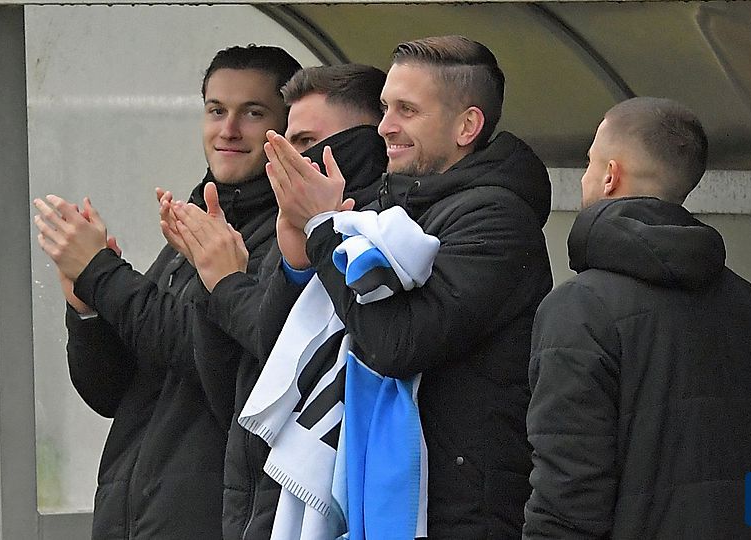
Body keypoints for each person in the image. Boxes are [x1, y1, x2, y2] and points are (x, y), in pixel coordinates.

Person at [261, 35, 553, 538]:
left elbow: (397, 344)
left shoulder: (498, 219)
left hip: (457, 515)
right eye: (384, 108)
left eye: (407, 110)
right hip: (383, 504)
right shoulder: (387, 209)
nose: (385, 127)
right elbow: (291, 353)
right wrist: (298, 255)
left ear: (467, 126)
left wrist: (324, 230)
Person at [32, 44, 301, 539]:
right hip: (129, 518)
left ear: (287, 126)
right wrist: (87, 309)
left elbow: (204, 352)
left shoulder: (291, 237)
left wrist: (101, 273)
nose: (229, 129)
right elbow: (112, 391)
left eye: (252, 113)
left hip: (208, 519)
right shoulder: (193, 217)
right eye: (216, 110)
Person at [523, 97, 751, 539]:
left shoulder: (579, 309)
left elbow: (567, 494)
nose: (585, 177)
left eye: (590, 163)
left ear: (611, 175)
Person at [161, 63, 388, 539]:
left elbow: (284, 352)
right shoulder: (286, 228)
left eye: (305, 142)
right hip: (254, 507)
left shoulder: (381, 234)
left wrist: (224, 281)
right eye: (214, 110)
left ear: (363, 144)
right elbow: (237, 391)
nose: (286, 159)